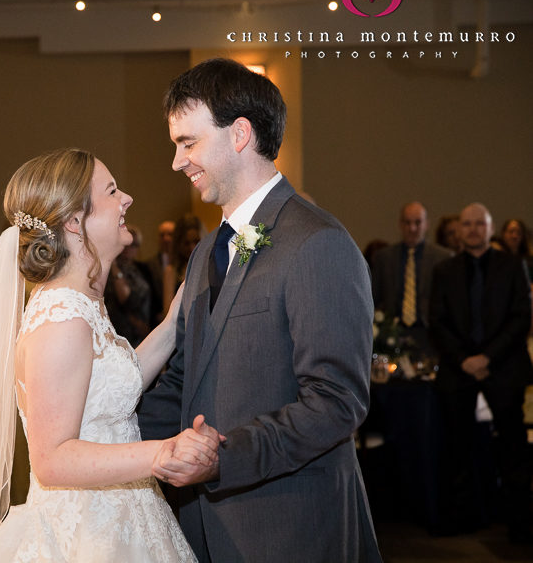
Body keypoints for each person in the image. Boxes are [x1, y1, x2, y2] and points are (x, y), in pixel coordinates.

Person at [0, 148, 222, 563]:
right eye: (111, 191)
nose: (126, 199)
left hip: (126, 516)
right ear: (75, 221)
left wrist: (173, 322)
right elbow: (53, 458)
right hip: (84, 537)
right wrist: (162, 452)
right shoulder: (61, 319)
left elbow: (114, 384)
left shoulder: (81, 304)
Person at [137, 58, 381, 562]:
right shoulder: (207, 251)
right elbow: (185, 379)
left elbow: (336, 402)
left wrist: (220, 460)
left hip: (290, 528)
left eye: (188, 143)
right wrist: (107, 438)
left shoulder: (318, 243)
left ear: (240, 134)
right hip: (204, 528)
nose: (177, 162)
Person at [429, 203, 533, 542]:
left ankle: (518, 524)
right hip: (458, 370)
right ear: (459, 229)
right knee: (456, 449)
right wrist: (465, 360)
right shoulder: (444, 270)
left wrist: (487, 357)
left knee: (513, 450)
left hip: (503, 368)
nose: (473, 229)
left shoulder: (513, 265)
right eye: (467, 224)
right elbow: (438, 322)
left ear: (491, 229)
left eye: (480, 224)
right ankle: (461, 518)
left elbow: (520, 317)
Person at [371, 202, 452, 355]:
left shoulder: (443, 258)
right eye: (407, 223)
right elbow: (374, 298)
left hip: (429, 334)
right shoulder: (385, 257)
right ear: (400, 224)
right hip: (392, 334)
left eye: (417, 222)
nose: (412, 228)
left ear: (426, 224)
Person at [105, 224, 154, 346]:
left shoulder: (142, 268)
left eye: (134, 245)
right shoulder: (109, 270)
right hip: (121, 333)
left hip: (143, 333)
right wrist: (114, 265)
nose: (129, 248)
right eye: (126, 244)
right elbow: (126, 300)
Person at [161, 213, 204, 316]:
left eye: (196, 241)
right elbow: (168, 312)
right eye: (186, 243)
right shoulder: (171, 271)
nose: (192, 248)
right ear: (178, 244)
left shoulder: (210, 266)